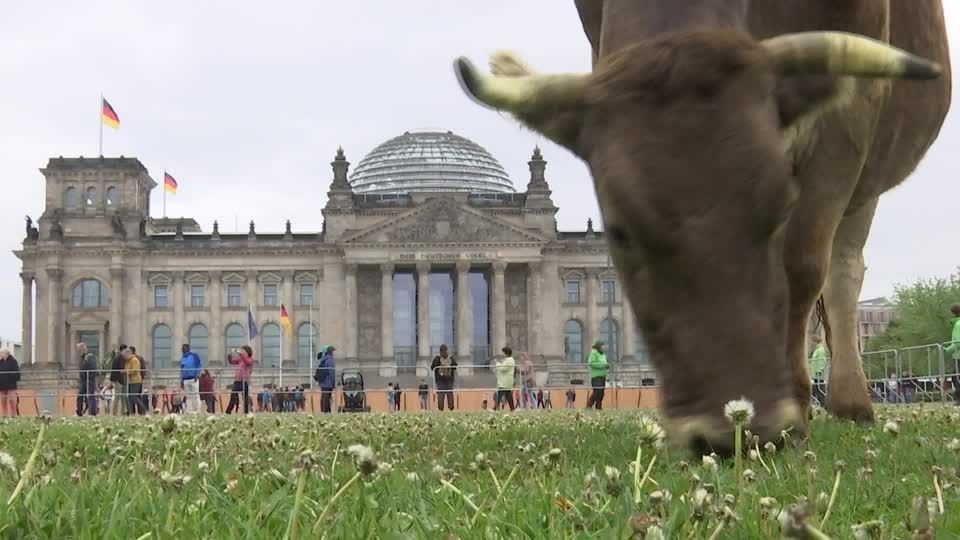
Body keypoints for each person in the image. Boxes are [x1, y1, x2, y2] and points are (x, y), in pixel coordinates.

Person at [226, 346, 254, 414]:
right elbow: (231, 362)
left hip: (244, 381)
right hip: (237, 381)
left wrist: (240, 354)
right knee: (233, 396)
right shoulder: (240, 360)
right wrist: (229, 355)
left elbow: (247, 362)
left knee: (245, 398)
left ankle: (246, 412)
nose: (242, 352)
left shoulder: (250, 359)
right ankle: (228, 411)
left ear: (247, 352)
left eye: (243, 351)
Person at [430, 344, 458, 411]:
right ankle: (449, 409)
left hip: (444, 380)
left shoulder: (448, 358)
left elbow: (432, 367)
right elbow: (455, 367)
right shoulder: (439, 359)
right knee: (446, 395)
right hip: (444, 381)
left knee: (442, 395)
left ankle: (443, 409)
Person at [943, 303, 960, 405]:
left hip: (958, 355)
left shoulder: (958, 325)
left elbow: (957, 342)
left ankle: (959, 399)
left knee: (956, 376)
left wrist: (946, 350)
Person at [179, 344, 202, 414]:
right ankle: (189, 411)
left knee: (195, 395)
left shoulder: (194, 356)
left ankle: (197, 410)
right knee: (188, 396)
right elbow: (181, 370)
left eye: (184, 348)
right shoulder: (182, 358)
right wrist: (181, 381)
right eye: (182, 348)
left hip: (193, 379)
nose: (182, 350)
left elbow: (199, 365)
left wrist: (197, 375)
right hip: (185, 380)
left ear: (188, 349)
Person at [586, 340, 609, 410]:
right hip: (596, 376)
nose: (604, 348)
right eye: (603, 346)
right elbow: (591, 363)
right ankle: (589, 405)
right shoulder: (593, 353)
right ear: (599, 347)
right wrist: (603, 366)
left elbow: (605, 364)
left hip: (603, 376)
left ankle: (598, 407)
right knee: (597, 391)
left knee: (601, 393)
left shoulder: (603, 355)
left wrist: (607, 366)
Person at [77, 344, 99, 416]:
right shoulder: (82, 358)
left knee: (90, 396)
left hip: (89, 380)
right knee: (80, 396)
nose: (78, 351)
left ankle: (92, 413)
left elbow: (93, 368)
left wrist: (90, 377)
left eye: (79, 349)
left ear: (83, 349)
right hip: (83, 380)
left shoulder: (90, 357)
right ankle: (79, 412)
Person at [315, 346, 336, 413]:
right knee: (327, 397)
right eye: (332, 351)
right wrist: (333, 383)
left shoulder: (323, 359)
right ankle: (326, 411)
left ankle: (325, 411)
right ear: (330, 352)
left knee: (324, 397)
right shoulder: (330, 360)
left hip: (323, 382)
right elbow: (331, 372)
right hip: (328, 382)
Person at [125, 346, 145, 415]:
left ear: (129, 353)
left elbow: (135, 370)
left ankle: (143, 410)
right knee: (129, 398)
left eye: (126, 353)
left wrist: (127, 372)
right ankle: (130, 412)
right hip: (130, 381)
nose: (125, 355)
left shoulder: (134, 360)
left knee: (134, 397)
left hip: (136, 381)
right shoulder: (128, 361)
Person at [494, 347, 516, 411]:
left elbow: (503, 368)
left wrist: (497, 363)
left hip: (505, 381)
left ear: (506, 353)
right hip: (506, 380)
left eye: (503, 353)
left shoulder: (509, 360)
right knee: (508, 395)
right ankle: (512, 408)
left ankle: (496, 408)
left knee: (499, 394)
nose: (502, 354)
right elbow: (503, 366)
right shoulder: (509, 360)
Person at [0, 349, 20, 417]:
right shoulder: (1, 361)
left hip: (11, 386)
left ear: (6, 353)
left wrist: (7, 376)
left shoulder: (13, 361)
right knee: (3, 402)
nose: (0, 354)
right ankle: (4, 416)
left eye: (1, 353)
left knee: (12, 402)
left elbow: (17, 374)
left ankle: (13, 416)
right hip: (2, 386)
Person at [109, 345, 128, 415]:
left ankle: (123, 413)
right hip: (119, 380)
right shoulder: (117, 358)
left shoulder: (125, 358)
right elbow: (114, 370)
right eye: (126, 351)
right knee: (117, 397)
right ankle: (114, 413)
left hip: (125, 381)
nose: (127, 352)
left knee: (124, 398)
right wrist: (112, 381)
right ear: (122, 350)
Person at [809, 336, 827, 406]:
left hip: (819, 374)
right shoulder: (817, 350)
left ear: (815, 342)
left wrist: (819, 370)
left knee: (820, 390)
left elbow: (821, 361)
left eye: (812, 342)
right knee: (816, 389)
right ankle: (817, 404)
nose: (811, 343)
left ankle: (823, 405)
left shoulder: (820, 350)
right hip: (815, 375)